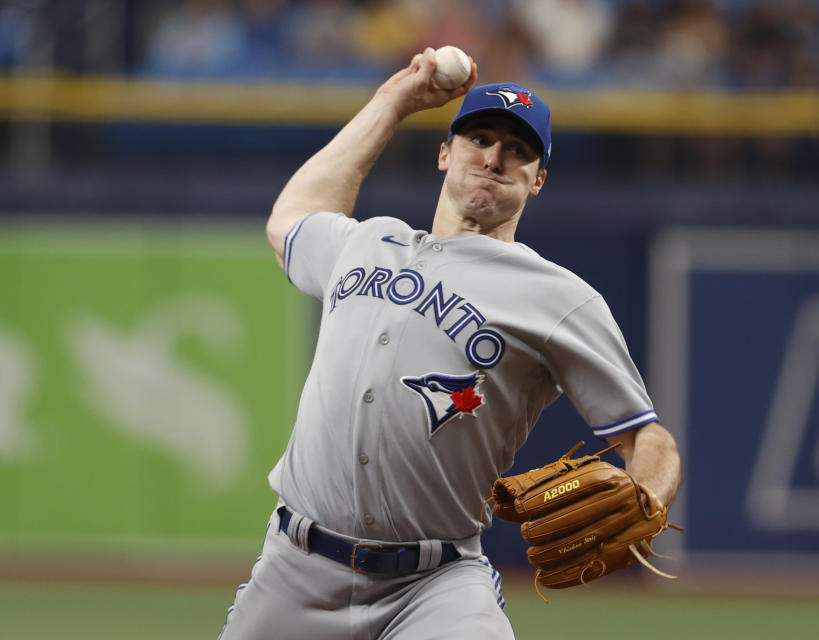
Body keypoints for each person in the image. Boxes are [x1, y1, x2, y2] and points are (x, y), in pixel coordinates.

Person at [218, 47, 681, 640]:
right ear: (446, 154)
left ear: (537, 180)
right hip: (295, 569)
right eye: (479, 139)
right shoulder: (368, 243)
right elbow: (292, 217)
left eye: (517, 150)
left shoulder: (561, 298)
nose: (493, 157)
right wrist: (393, 101)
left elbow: (645, 434)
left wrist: (648, 493)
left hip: (434, 586)